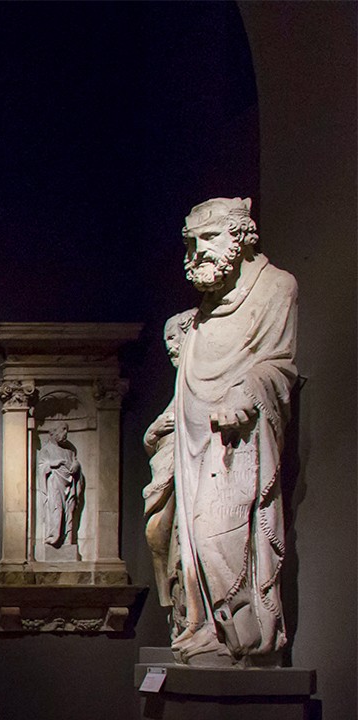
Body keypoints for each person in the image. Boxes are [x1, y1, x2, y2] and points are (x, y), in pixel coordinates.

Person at [144, 197, 297, 664]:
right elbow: (187, 385)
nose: (197, 251)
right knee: (172, 536)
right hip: (190, 441)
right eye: (191, 242)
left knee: (219, 534)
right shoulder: (200, 314)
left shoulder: (276, 288)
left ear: (240, 236)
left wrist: (246, 392)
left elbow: (279, 367)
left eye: (209, 238)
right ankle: (199, 625)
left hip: (236, 438)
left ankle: (244, 638)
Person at [38, 423, 82, 549]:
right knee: (56, 509)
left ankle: (67, 539)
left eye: (66, 431)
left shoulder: (69, 451)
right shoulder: (46, 450)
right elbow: (41, 467)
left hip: (69, 485)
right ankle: (53, 537)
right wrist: (53, 464)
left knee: (69, 510)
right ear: (54, 432)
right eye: (63, 430)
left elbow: (75, 463)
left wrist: (76, 465)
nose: (65, 434)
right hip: (55, 485)